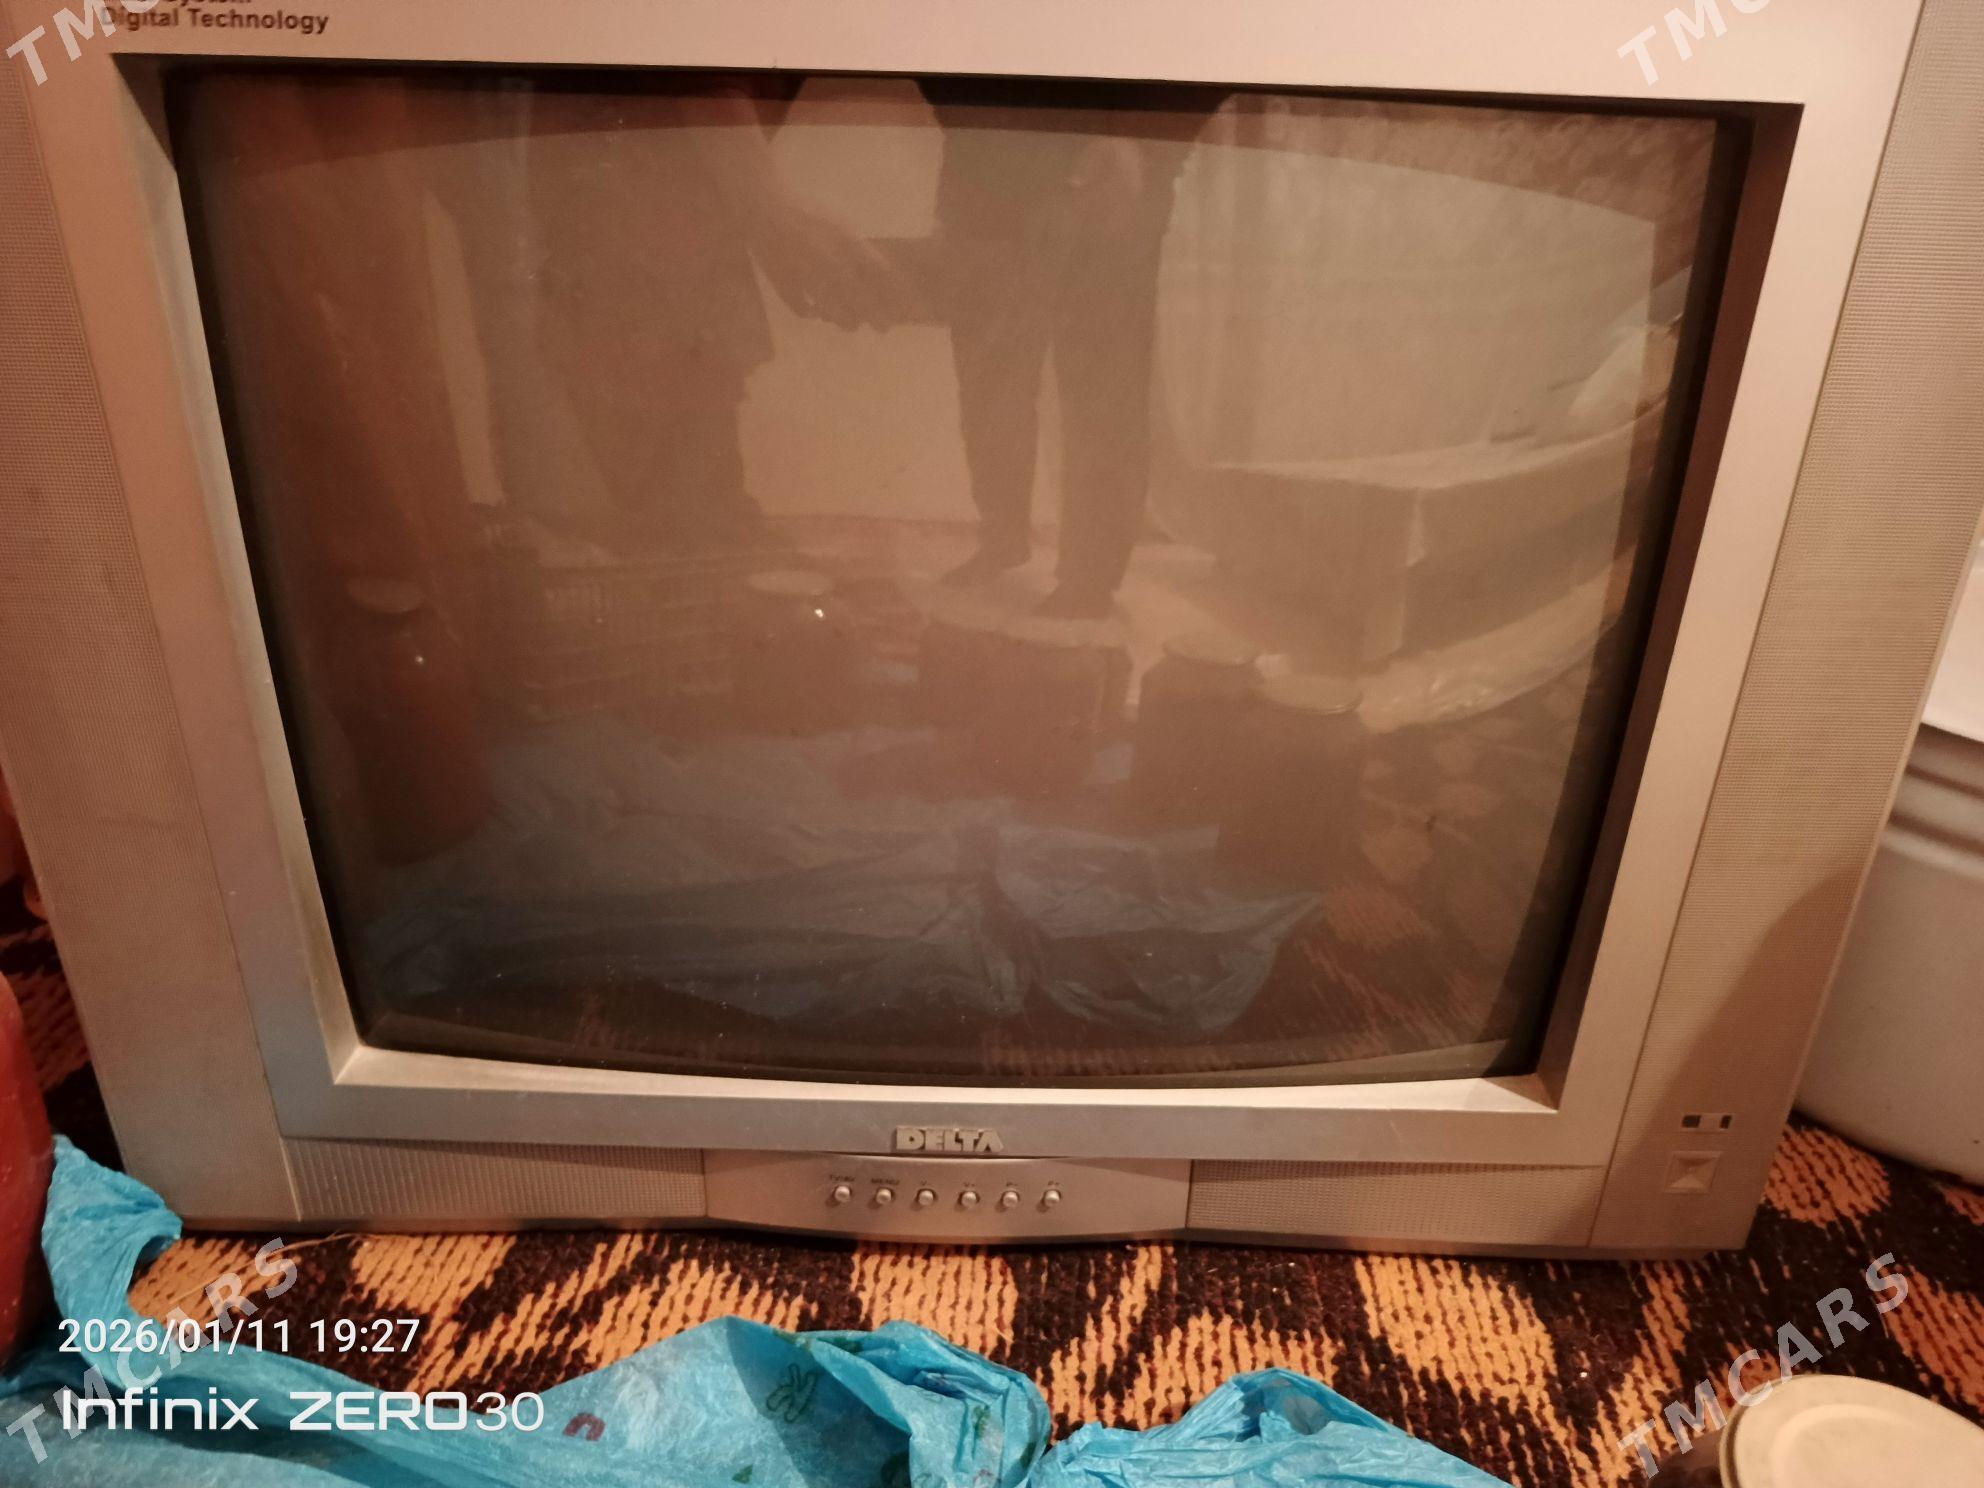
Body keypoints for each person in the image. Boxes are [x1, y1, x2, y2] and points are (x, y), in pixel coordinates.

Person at [921, 79, 1220, 619]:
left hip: (1112, 172)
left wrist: (1140, 139)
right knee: (988, 380)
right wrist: (965, 150)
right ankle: (1002, 538)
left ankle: (1090, 578)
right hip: (987, 170)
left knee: (1103, 386)